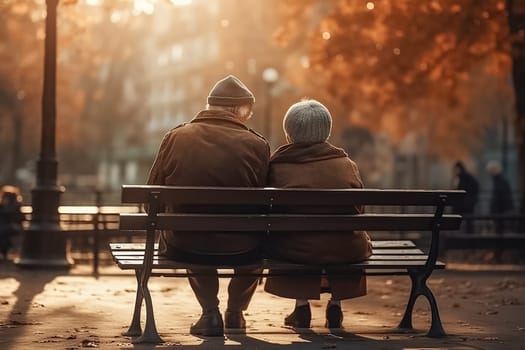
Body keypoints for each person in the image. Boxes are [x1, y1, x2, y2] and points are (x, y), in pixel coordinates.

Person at [147, 75, 270, 336]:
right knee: (257, 240)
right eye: (248, 110)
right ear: (238, 110)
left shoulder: (175, 136)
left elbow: (151, 196)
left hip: (186, 244)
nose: (249, 116)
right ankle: (235, 312)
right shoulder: (257, 145)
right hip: (242, 247)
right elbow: (265, 204)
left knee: (192, 231)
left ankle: (210, 313)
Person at [263, 99, 372, 329]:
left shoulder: (277, 166)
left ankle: (302, 307)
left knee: (295, 239)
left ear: (289, 134)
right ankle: (336, 306)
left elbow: (270, 212)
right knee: (342, 239)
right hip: (346, 249)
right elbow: (359, 210)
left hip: (296, 250)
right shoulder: (346, 164)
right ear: (326, 131)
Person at [452, 161, 480, 233]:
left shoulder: (460, 178)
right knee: (468, 221)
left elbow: (457, 189)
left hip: (463, 203)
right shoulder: (468, 177)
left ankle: (458, 233)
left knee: (458, 219)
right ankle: (468, 235)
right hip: (468, 203)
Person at [486, 160, 514, 233]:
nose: (489, 173)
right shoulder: (502, 180)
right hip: (501, 208)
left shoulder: (499, 180)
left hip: (500, 209)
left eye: (490, 171)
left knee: (499, 228)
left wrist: (493, 208)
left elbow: (499, 195)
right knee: (500, 228)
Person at [0, 185, 24, 260]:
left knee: (4, 232)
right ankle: (4, 252)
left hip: (13, 227)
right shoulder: (1, 206)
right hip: (4, 227)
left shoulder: (16, 206)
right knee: (3, 232)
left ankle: (4, 252)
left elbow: (20, 219)